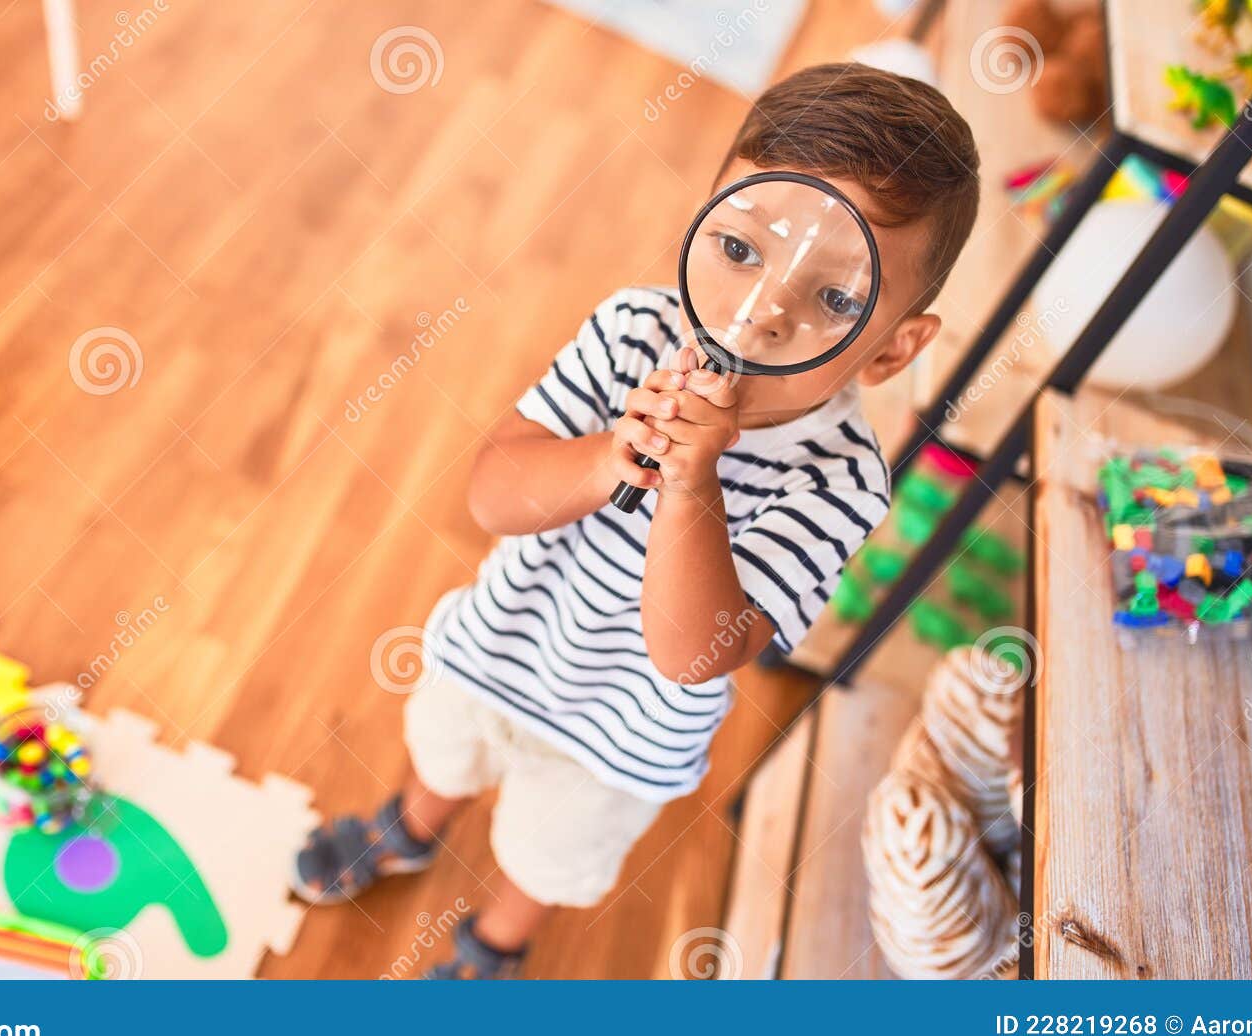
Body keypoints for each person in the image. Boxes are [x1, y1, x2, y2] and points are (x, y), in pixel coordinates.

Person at [291, 62, 980, 979]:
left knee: (545, 851)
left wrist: (693, 488)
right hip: (501, 644)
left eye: (834, 298)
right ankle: (412, 827)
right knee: (445, 755)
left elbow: (697, 654)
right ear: (699, 227)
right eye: (740, 251)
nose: (762, 313)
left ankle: (496, 942)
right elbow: (493, 495)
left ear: (895, 347)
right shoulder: (629, 334)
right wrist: (606, 455)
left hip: (619, 740)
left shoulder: (841, 481)